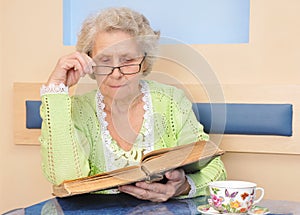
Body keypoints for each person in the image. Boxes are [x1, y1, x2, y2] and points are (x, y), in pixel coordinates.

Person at [39, 7, 226, 202]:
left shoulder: (171, 101)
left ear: (144, 62)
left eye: (128, 60)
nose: (116, 73)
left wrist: (181, 187)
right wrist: (55, 91)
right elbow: (64, 178)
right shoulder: (77, 108)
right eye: (104, 61)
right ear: (89, 64)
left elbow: (216, 170)